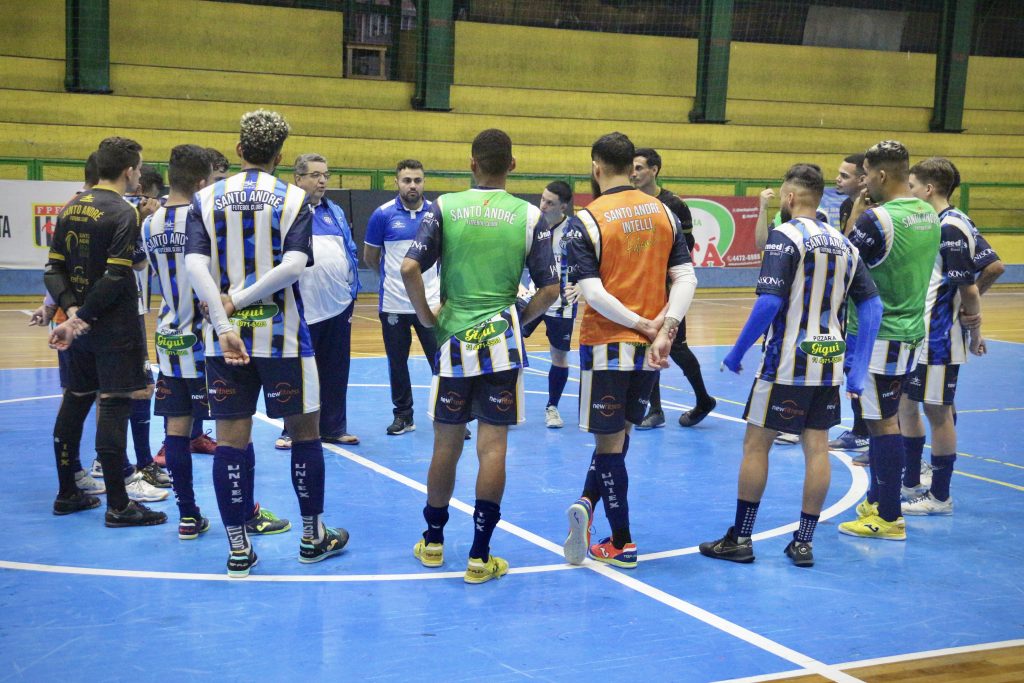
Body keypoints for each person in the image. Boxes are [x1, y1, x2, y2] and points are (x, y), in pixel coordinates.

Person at [185, 110, 348, 577]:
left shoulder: (206, 198)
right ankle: (312, 538)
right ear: (279, 157)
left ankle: (238, 549)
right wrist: (237, 301)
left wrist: (223, 319)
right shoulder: (295, 198)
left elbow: (196, 269)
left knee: (231, 442)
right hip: (286, 340)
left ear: (238, 150)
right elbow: (295, 265)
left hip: (224, 345)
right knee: (305, 435)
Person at [698, 164, 882, 567]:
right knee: (816, 448)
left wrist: (737, 350)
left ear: (790, 198)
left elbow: (769, 302)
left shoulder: (785, 237)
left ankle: (742, 537)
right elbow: (872, 305)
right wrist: (857, 366)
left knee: (756, 444)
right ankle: (803, 542)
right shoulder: (844, 243)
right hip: (828, 362)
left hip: (786, 364)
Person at [401, 129, 559, 584]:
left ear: (471, 164)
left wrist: (427, 317)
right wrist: (520, 321)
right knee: (493, 448)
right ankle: (479, 555)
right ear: (512, 165)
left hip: (452, 341)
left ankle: (432, 543)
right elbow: (550, 288)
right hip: (501, 346)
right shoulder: (531, 217)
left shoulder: (443, 208)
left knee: (446, 445)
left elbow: (409, 266)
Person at [563, 132, 698, 569]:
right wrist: (665, 331)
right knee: (620, 438)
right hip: (650, 350)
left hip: (607, 344)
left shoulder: (586, 220)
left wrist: (641, 323)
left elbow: (593, 293)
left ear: (596, 167)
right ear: (631, 165)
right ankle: (586, 502)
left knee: (608, 445)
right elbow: (686, 278)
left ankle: (621, 542)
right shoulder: (664, 212)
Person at [144, 143, 290, 540]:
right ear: (204, 180)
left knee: (176, 428)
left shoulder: (149, 224)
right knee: (234, 431)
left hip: (169, 335)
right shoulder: (206, 216)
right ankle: (246, 513)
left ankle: (188, 516)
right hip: (208, 337)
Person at [45, 136, 168, 528]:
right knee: (114, 406)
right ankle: (119, 504)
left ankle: (67, 492)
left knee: (76, 400)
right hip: (113, 328)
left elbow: (53, 270)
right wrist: (85, 317)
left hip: (78, 328)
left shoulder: (70, 206)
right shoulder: (123, 212)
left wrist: (74, 313)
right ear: (130, 171)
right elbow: (118, 275)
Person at [836, 140, 941, 542]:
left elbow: (843, 266)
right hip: (912, 332)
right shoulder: (928, 214)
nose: (862, 182)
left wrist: (859, 213)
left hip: (876, 337)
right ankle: (878, 498)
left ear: (880, 176)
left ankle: (889, 516)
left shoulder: (876, 220)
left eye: (864, 174)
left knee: (881, 425)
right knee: (888, 417)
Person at [896, 157, 985, 515]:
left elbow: (970, 287)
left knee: (938, 412)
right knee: (906, 404)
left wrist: (973, 328)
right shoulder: (944, 222)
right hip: (922, 336)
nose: (910, 191)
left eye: (914, 186)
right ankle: (913, 480)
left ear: (929, 189)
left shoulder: (950, 227)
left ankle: (940, 496)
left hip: (938, 339)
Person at [274, 153, 360, 450]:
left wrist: (352, 290)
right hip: (300, 307)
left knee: (336, 369)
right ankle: (290, 430)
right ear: (298, 178)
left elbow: (349, 249)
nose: (322, 180)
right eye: (315, 175)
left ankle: (334, 427)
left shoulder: (333, 211)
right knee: (297, 372)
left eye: (325, 174)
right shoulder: (285, 211)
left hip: (337, 305)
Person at [630, 148, 715, 429]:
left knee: (676, 347)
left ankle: (704, 399)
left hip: (668, 287)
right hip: (641, 286)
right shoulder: (629, 203)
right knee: (645, 343)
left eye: (640, 167)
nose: (634, 173)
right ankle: (655, 410)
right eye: (632, 167)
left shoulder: (674, 205)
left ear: (654, 170)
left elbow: (685, 249)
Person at [364, 159, 441, 436]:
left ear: (424, 182)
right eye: (407, 180)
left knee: (441, 361)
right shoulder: (382, 215)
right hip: (393, 305)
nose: (412, 185)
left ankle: (448, 415)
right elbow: (371, 258)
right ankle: (403, 416)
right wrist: (394, 281)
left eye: (417, 180)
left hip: (431, 305)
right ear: (396, 182)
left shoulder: (436, 213)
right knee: (397, 363)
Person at [518, 180, 582, 428]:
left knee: (559, 356)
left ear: (563, 206)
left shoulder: (575, 230)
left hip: (562, 304)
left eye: (549, 202)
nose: (542, 205)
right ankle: (506, 400)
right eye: (542, 199)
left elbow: (593, 263)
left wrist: (581, 286)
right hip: (533, 297)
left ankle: (552, 407)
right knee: (509, 343)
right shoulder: (532, 223)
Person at [828, 153, 872, 455]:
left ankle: (870, 433)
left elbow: (848, 251)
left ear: (863, 179)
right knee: (851, 367)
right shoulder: (848, 205)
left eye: (845, 175)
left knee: (868, 371)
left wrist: (858, 210)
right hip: (851, 305)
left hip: (871, 304)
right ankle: (861, 429)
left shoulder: (874, 212)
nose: (838, 179)